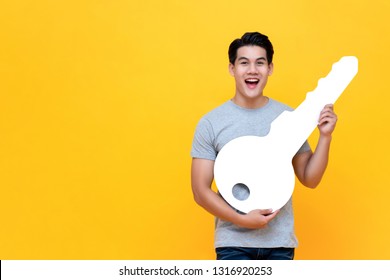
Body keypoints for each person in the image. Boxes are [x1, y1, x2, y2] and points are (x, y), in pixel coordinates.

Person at [190, 32, 337, 260]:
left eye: (260, 62)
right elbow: (200, 191)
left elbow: (310, 179)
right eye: (244, 63)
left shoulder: (289, 117)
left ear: (270, 68)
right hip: (233, 245)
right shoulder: (211, 123)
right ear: (232, 69)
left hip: (280, 244)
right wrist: (242, 219)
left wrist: (325, 137)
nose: (252, 70)